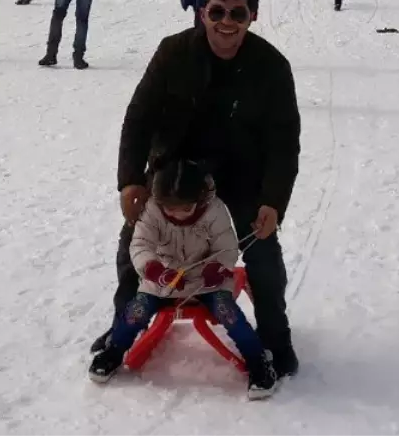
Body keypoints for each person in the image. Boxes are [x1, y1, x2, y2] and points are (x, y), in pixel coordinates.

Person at [100, 0, 301, 379]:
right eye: (217, 11)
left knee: (261, 247)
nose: (227, 22)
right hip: (177, 166)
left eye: (238, 13)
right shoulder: (173, 52)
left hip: (241, 170)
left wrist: (272, 201)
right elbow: (139, 118)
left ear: (253, 16)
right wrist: (130, 181)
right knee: (133, 238)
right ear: (201, 13)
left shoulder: (271, 65)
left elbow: (284, 141)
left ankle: (276, 337)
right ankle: (122, 324)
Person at [88, 158, 280, 399]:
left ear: (200, 198)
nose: (177, 215)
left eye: (185, 209)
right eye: (170, 209)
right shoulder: (153, 210)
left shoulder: (214, 210)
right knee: (136, 310)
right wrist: (154, 271)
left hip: (206, 280)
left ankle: (257, 360)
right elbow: (140, 244)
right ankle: (114, 351)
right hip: (163, 280)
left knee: (227, 312)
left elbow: (227, 246)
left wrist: (217, 268)